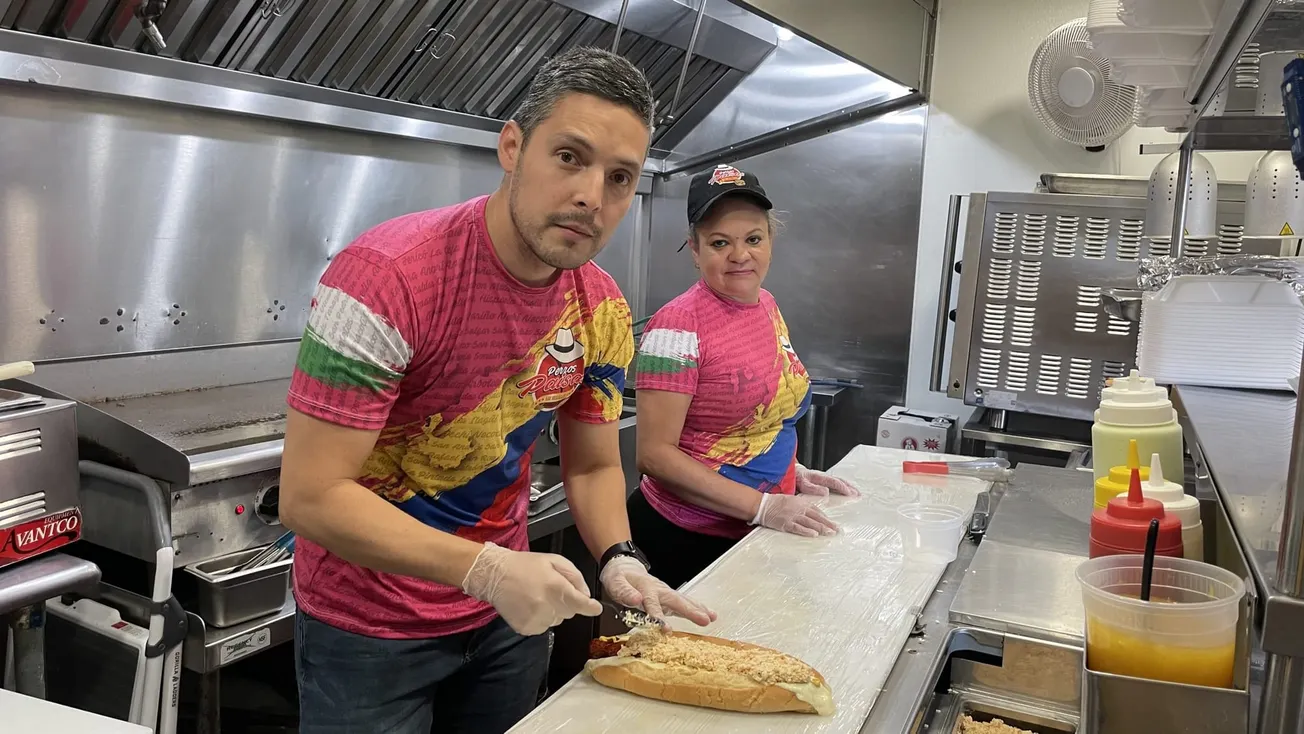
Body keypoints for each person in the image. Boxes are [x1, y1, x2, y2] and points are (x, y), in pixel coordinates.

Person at [278, 47, 714, 734]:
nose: (591, 197)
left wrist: (620, 556)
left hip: (509, 624)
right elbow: (310, 496)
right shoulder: (387, 279)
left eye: (620, 177)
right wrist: (485, 569)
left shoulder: (599, 308)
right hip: (369, 632)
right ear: (512, 147)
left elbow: (596, 464)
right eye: (569, 156)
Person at [629, 164, 861, 589]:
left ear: (770, 243)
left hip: (750, 532)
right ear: (695, 251)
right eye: (720, 243)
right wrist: (763, 505)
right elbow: (655, 456)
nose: (740, 255)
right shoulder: (676, 327)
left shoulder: (766, 305)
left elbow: (757, 420)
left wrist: (790, 473)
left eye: (753, 239)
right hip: (685, 541)